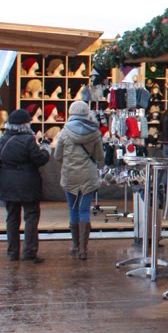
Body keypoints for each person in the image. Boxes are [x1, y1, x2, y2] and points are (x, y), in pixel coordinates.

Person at [53, 98, 105, 261]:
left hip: (70, 175)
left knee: (73, 209)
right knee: (84, 210)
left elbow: (57, 156)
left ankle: (75, 245)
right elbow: (99, 157)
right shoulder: (95, 133)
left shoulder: (64, 132)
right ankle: (84, 249)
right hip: (88, 175)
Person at [0, 109, 51, 262]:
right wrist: (45, 148)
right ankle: (29, 252)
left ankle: (12, 253)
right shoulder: (29, 140)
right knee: (31, 216)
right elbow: (39, 159)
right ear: (24, 124)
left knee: (12, 218)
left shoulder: (3, 139)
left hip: (8, 183)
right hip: (28, 182)